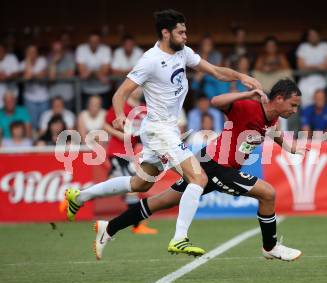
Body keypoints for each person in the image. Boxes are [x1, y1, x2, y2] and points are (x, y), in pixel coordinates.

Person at [64, 9, 262, 257]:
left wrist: (242, 76)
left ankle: (79, 197)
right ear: (166, 33)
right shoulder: (150, 60)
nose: (186, 36)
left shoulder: (183, 53)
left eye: (186, 31)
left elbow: (215, 71)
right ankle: (180, 238)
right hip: (159, 130)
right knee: (198, 178)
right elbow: (120, 94)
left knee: (139, 182)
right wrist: (118, 113)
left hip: (164, 130)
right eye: (181, 32)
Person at [91, 79, 304, 261]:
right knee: (268, 194)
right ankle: (270, 248)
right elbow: (216, 101)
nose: (294, 110)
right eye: (293, 104)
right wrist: (248, 93)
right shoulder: (250, 107)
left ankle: (108, 228)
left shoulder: (273, 117)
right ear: (278, 98)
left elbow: (272, 131)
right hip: (218, 167)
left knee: (161, 201)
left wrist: (289, 147)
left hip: (207, 162)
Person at [102, 88, 158, 235]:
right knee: (132, 188)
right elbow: (105, 124)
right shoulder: (122, 107)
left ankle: (77, 197)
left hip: (129, 153)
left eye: (141, 87)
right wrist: (120, 135)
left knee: (113, 187)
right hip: (119, 152)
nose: (138, 90)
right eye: (136, 87)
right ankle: (137, 225)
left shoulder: (144, 109)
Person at [296, 29, 327, 107]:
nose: (312, 37)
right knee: (305, 106)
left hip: (322, 80)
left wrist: (309, 67)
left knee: (320, 105)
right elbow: (301, 67)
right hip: (306, 81)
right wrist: (318, 67)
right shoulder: (303, 47)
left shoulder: (326, 46)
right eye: (310, 35)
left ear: (319, 36)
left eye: (314, 35)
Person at [47, 40, 76, 110]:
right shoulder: (49, 58)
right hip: (53, 96)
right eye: (55, 50)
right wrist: (54, 62)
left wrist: (55, 73)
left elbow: (70, 74)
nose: (57, 52)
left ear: (63, 50)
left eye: (59, 50)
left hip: (67, 96)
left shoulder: (70, 57)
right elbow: (51, 78)